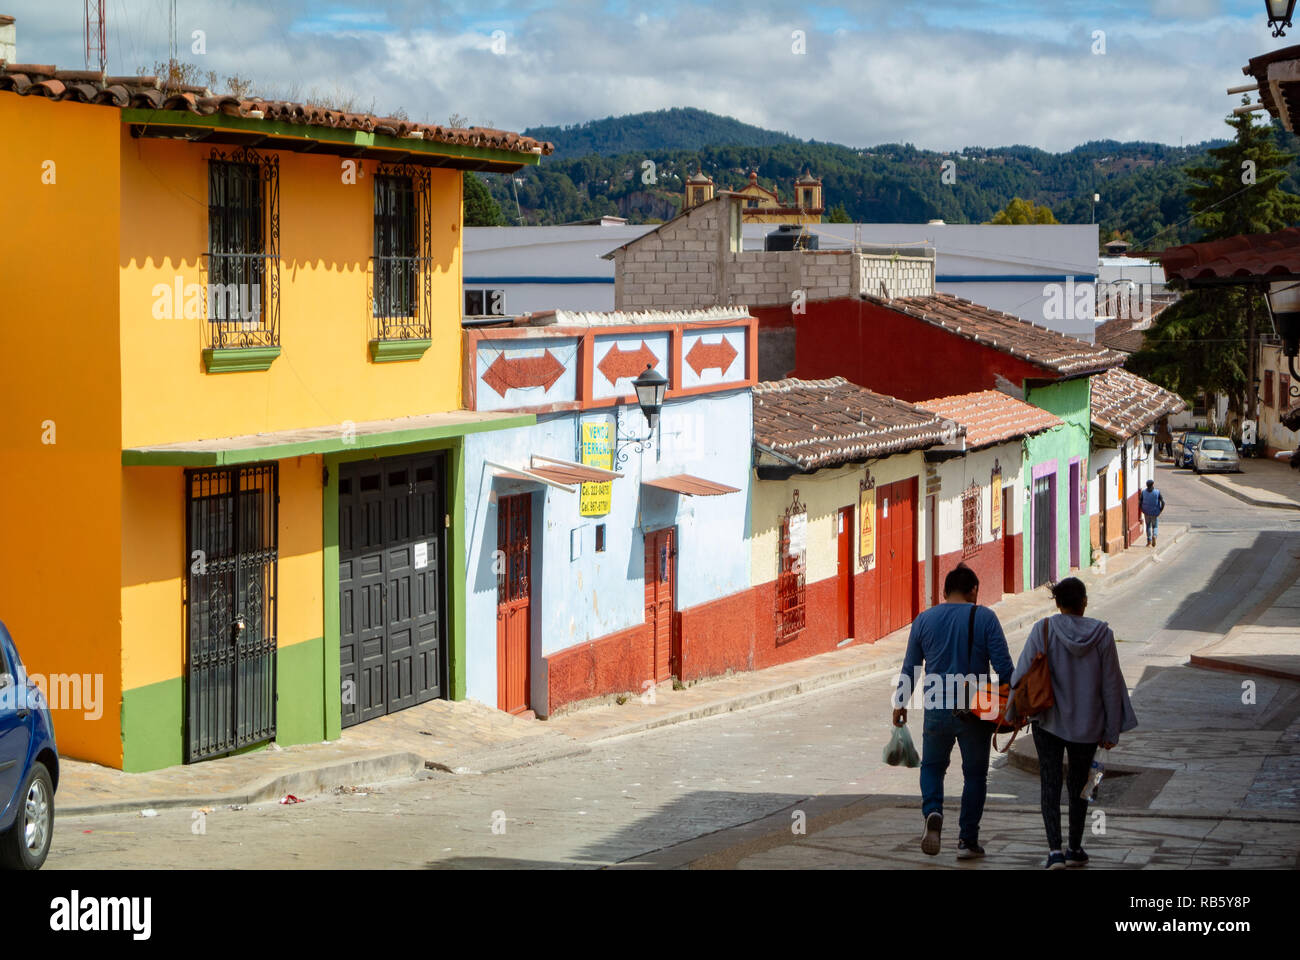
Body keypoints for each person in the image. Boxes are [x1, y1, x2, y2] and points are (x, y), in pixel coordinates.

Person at [1009, 578, 1137, 870]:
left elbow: (1022, 673)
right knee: (1080, 785)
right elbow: (1111, 684)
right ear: (1084, 602)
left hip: (1048, 721)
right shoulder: (1103, 635)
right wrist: (1112, 728)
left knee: (1050, 784)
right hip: (1088, 726)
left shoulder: (1043, 629)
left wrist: (1010, 714)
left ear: (1058, 603)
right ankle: (1075, 847)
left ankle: (1054, 851)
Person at [892, 563, 1014, 861]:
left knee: (932, 768)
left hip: (935, 708)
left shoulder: (924, 620)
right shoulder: (985, 617)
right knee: (974, 776)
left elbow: (911, 667)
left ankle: (933, 810)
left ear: (945, 592)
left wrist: (900, 704)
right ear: (973, 591)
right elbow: (1005, 668)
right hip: (975, 710)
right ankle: (967, 841)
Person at [1139, 479, 1164, 547]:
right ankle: (1154, 536)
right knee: (1155, 526)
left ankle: (1149, 541)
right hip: (1155, 512)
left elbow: (1140, 502)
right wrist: (1160, 510)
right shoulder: (1157, 492)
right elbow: (1163, 502)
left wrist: (1142, 510)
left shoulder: (1143, 492)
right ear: (1152, 485)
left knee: (1148, 526)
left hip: (1146, 512)